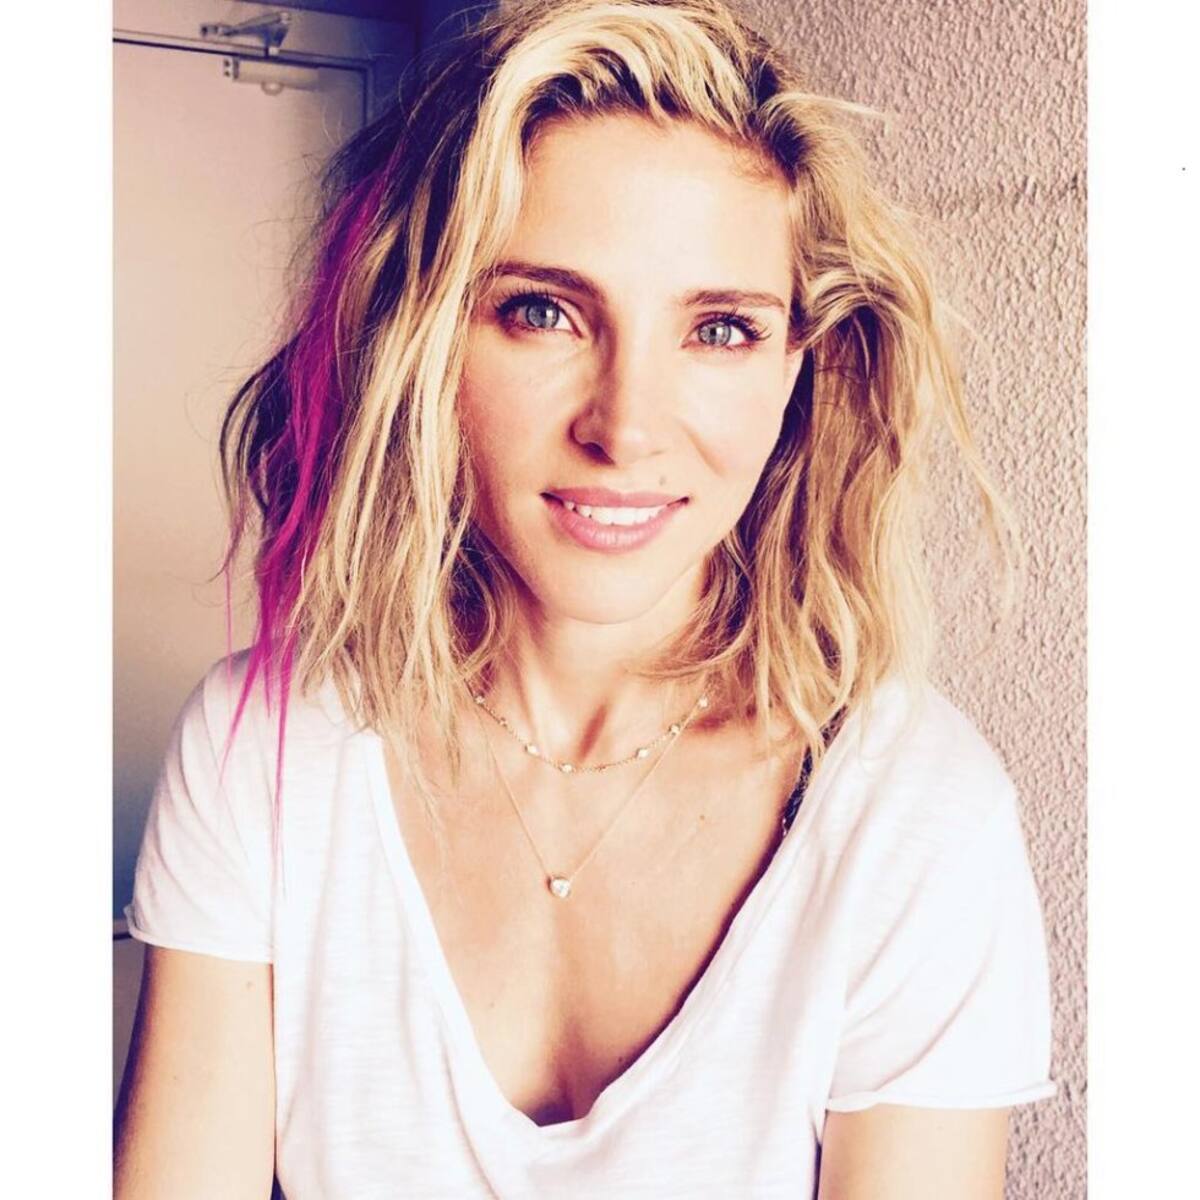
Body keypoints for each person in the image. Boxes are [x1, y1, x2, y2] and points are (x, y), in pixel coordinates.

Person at [113, 0, 1057, 1195]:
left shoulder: (914, 817)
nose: (627, 427)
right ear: (425, 341)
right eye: (543, 312)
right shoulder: (262, 750)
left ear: (796, 368)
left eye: (720, 328)